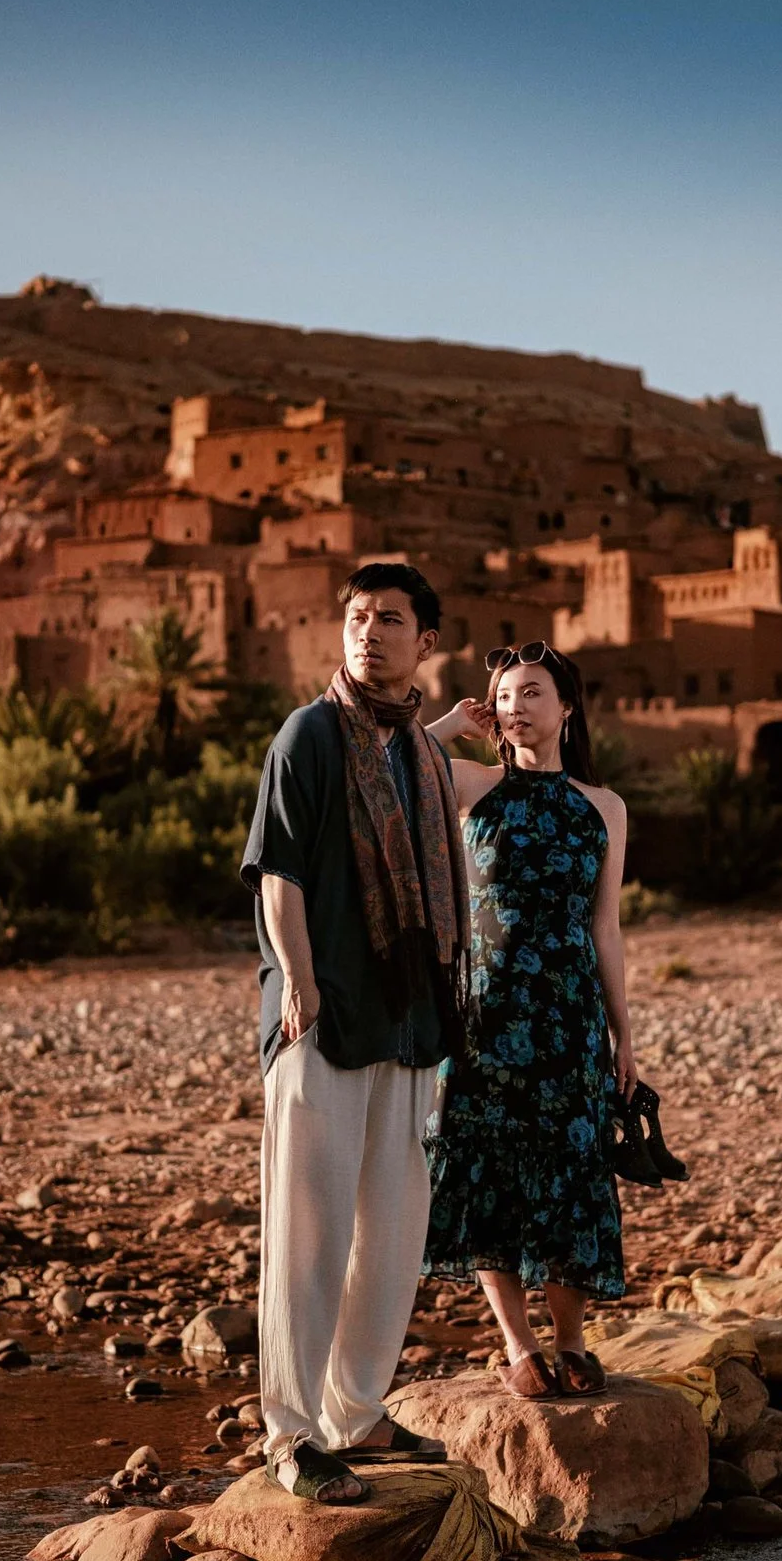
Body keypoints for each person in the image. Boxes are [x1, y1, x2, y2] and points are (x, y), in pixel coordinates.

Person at [239, 562, 461, 1504]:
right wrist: (296, 977)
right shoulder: (311, 736)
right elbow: (278, 869)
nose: (370, 632)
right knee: (310, 1231)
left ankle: (358, 1409)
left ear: (427, 644)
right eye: (359, 617)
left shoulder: (422, 752)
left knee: (393, 1230)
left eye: (392, 619)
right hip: (322, 1019)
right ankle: (291, 1433)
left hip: (409, 1021)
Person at [420, 641, 634, 1400]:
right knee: (487, 1177)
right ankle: (517, 1345)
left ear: (567, 708)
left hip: (569, 1021)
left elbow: (605, 927)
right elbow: (396, 763)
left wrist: (624, 1035)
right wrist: (451, 720)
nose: (514, 706)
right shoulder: (475, 786)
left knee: (572, 1173)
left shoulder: (603, 807)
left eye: (531, 692)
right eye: (504, 695)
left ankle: (571, 1341)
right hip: (481, 1020)